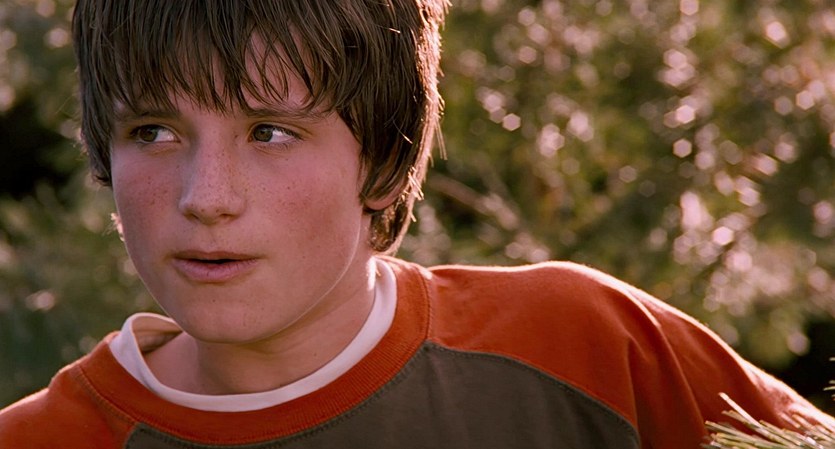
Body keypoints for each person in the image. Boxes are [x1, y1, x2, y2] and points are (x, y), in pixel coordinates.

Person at [0, 1, 832, 447]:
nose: (204, 196)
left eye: (270, 131)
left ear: (383, 156)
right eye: (153, 131)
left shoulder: (590, 350)